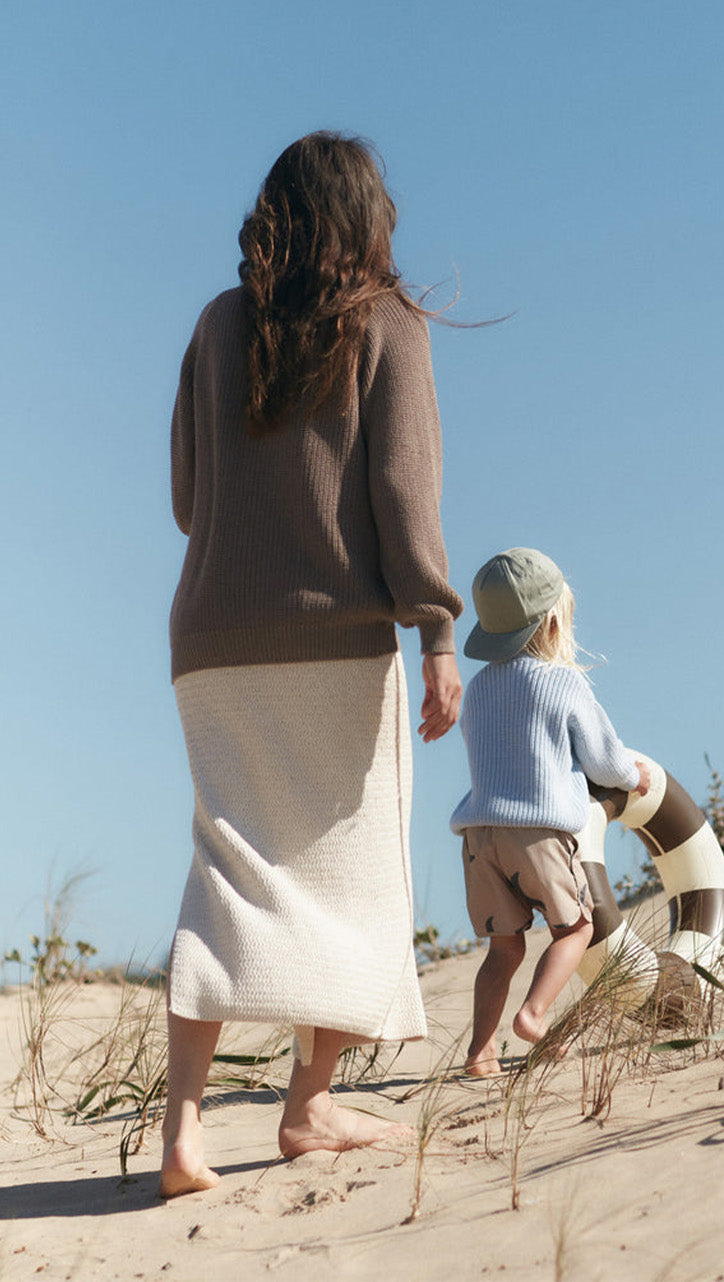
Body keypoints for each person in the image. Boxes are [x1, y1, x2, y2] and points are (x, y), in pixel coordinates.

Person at [161, 132, 464, 1198]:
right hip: (337, 642)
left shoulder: (214, 324)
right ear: (366, 217)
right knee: (362, 880)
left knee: (228, 869)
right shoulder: (388, 326)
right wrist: (436, 633)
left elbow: (188, 500)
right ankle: (307, 1106)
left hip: (209, 643)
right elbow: (403, 493)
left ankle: (182, 1137)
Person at [450, 548, 649, 1076]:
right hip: (537, 834)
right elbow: (604, 760)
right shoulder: (562, 683)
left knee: (503, 949)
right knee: (575, 929)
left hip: (479, 834)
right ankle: (534, 1016)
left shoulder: (478, 689)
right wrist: (634, 777)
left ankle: (479, 1052)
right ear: (556, 619)